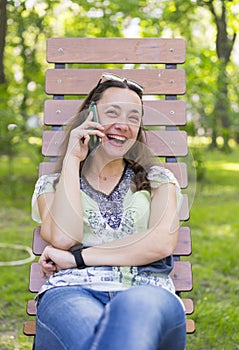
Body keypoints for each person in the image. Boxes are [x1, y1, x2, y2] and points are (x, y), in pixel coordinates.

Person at [31, 72, 186, 350]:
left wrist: (76, 258)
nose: (123, 125)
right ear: (88, 118)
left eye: (133, 118)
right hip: (71, 291)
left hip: (147, 290)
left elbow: (160, 242)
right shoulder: (51, 185)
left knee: (132, 310)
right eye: (112, 113)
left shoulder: (159, 180)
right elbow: (64, 237)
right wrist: (72, 159)